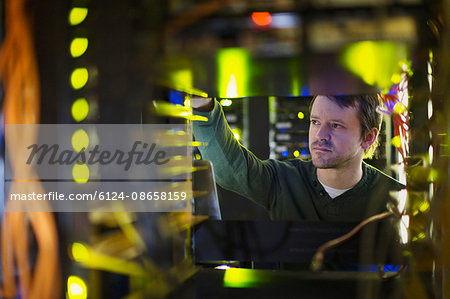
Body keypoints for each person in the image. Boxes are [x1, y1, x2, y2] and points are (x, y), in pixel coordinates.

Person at [191, 95, 404, 221]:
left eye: (336, 125)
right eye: (315, 122)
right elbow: (230, 170)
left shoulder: (396, 198)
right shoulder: (283, 180)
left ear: (368, 137)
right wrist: (203, 105)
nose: (320, 136)